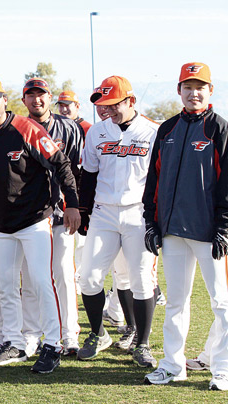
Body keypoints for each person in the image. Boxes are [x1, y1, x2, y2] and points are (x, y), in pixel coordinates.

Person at [0, 76, 80, 373]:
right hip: (2, 224)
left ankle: (53, 344)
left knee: (41, 281)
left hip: (34, 221)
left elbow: (61, 164)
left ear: (5, 100)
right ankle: (14, 342)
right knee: (4, 285)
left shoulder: (27, 128)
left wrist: (74, 204)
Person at [142, 62, 228, 391]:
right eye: (188, 86)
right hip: (173, 232)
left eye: (200, 87)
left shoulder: (219, 128)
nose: (194, 92)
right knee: (176, 301)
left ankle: (222, 369)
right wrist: (151, 223)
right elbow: (154, 180)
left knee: (221, 303)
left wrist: (223, 228)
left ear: (210, 91)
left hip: (210, 233)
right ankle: (173, 366)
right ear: (179, 90)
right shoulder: (167, 130)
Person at [77, 76, 159, 368]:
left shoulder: (153, 131)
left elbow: (159, 179)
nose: (108, 110)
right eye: (104, 105)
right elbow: (88, 175)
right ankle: (98, 333)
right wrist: (84, 212)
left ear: (130, 101)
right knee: (88, 277)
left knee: (141, 279)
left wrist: (156, 218)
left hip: (138, 213)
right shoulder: (97, 132)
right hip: (103, 211)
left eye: (114, 105)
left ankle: (143, 343)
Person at [21, 78, 83, 356]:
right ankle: (31, 333)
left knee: (63, 274)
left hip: (60, 213)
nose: (37, 100)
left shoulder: (68, 127)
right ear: (23, 100)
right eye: (31, 95)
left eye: (41, 95)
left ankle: (69, 334)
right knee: (31, 277)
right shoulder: (18, 128)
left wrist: (75, 206)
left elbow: (76, 172)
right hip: (29, 216)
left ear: (50, 98)